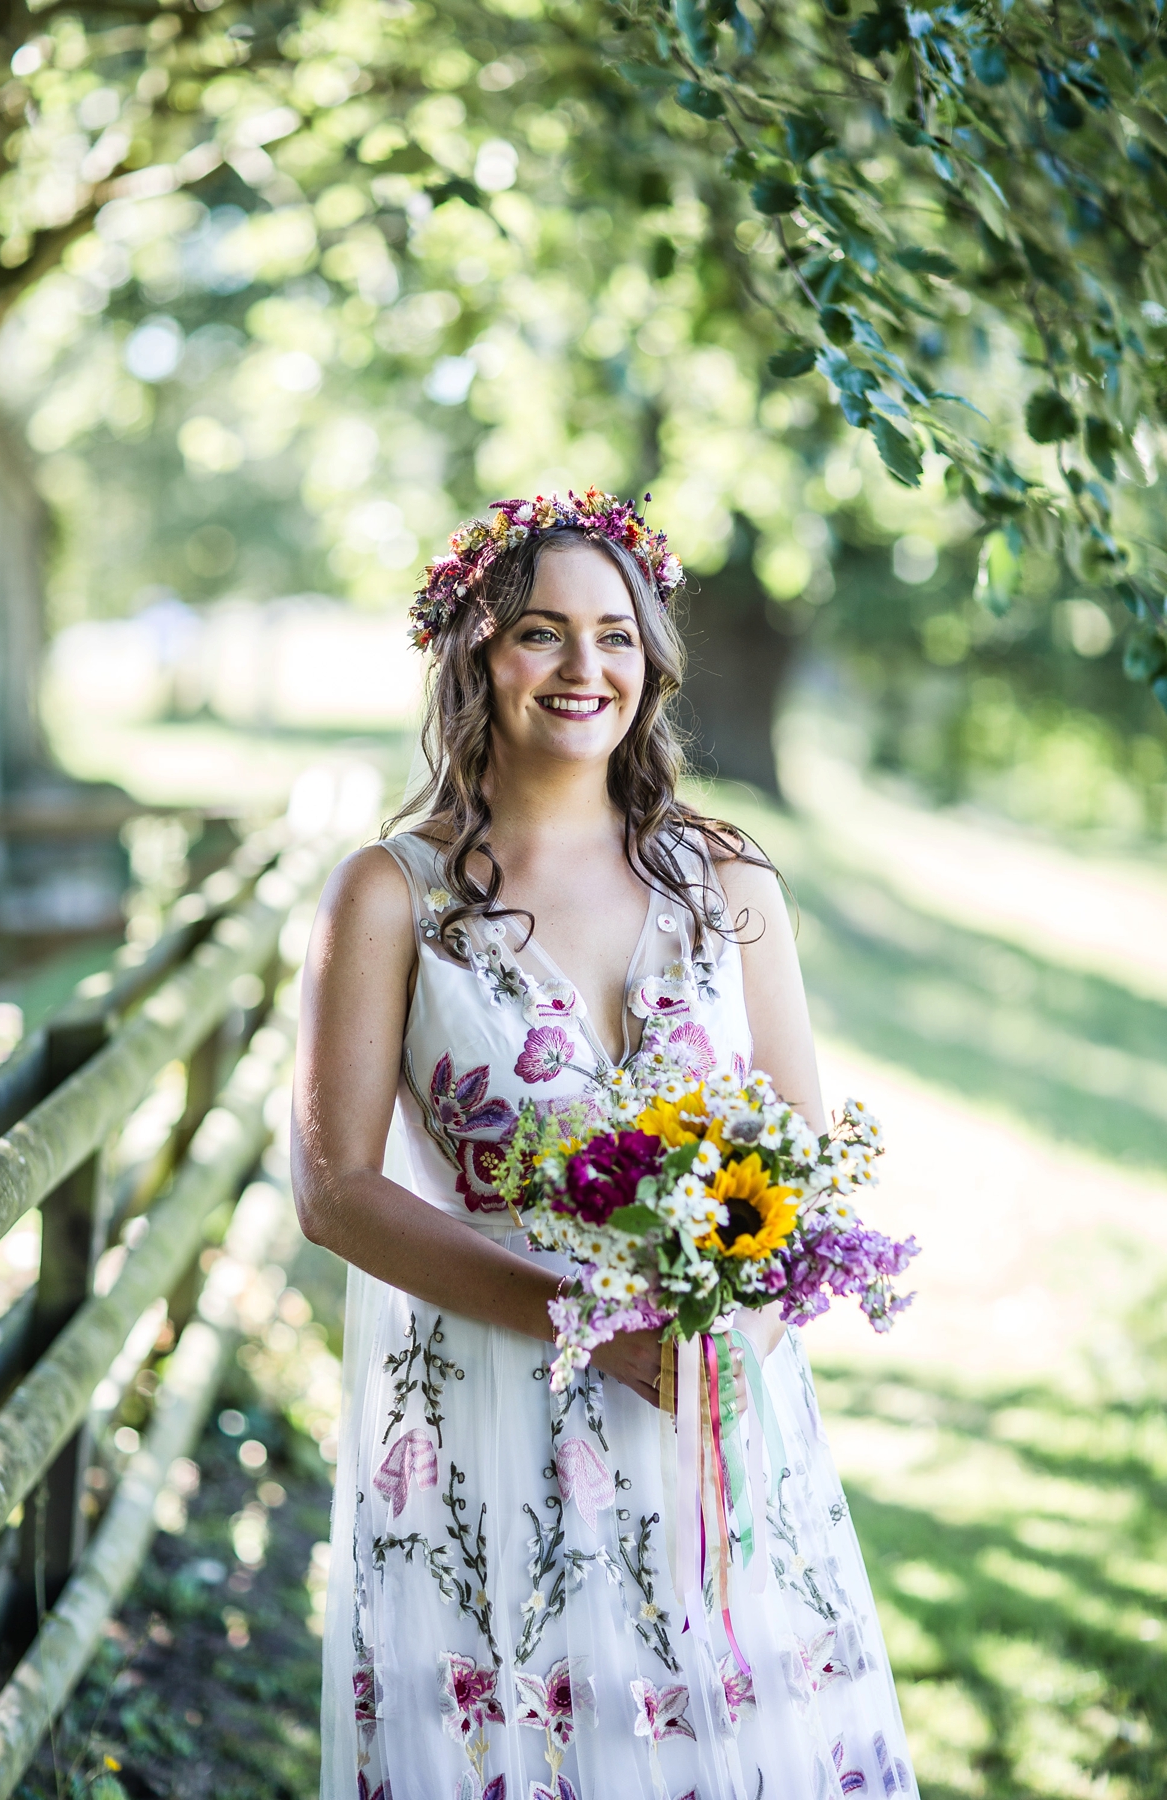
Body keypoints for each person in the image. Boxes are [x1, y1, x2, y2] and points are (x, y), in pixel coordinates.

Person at [292, 490, 917, 1800]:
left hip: (718, 1417)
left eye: (615, 635)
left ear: (653, 658)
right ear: (473, 654)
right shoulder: (390, 893)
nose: (586, 668)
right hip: (492, 1404)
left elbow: (800, 1160)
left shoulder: (729, 885)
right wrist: (584, 1321)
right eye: (540, 633)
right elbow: (337, 1190)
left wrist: (723, 1345)